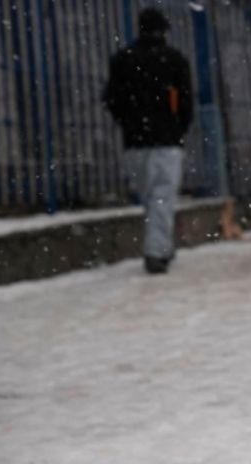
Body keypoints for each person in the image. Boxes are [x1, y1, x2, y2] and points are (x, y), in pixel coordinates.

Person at [103, 8, 193, 275]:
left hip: (135, 142)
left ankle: (162, 246)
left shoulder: (122, 60)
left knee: (149, 197)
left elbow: (112, 100)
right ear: (164, 31)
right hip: (166, 140)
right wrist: (177, 127)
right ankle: (156, 252)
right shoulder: (175, 60)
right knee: (163, 196)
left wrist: (130, 123)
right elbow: (186, 103)